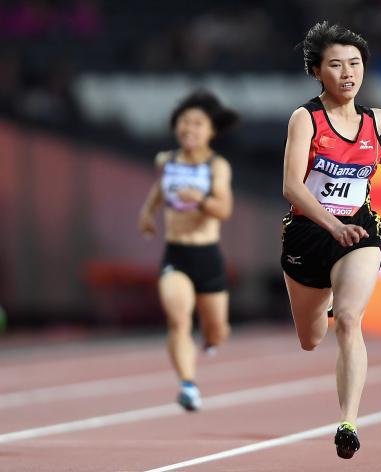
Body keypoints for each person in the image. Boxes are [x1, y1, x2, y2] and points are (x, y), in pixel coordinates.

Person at [281, 21, 381, 459]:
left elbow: (373, 144)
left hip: (359, 231)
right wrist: (331, 226)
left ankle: (348, 423)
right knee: (310, 338)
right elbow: (293, 187)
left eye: (354, 64)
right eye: (336, 65)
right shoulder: (306, 119)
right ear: (318, 72)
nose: (348, 73)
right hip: (309, 235)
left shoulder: (377, 118)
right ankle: (326, 297)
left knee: (351, 320)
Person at [138, 90, 237, 411]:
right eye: (183, 122)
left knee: (217, 331)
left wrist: (200, 199)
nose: (189, 129)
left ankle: (212, 339)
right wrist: (147, 214)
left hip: (207, 256)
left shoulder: (217, 166)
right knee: (178, 319)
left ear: (210, 131)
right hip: (176, 255)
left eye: (197, 123)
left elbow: (223, 209)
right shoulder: (165, 161)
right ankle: (188, 385)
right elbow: (158, 190)